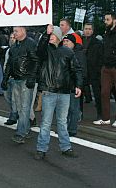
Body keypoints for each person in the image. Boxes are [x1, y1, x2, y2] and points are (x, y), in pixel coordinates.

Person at [34, 25, 82, 160]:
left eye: (53, 35)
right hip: (49, 91)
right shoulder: (46, 50)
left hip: (65, 92)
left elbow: (76, 69)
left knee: (62, 121)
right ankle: (41, 149)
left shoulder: (68, 52)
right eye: (50, 35)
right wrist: (45, 34)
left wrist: (78, 85)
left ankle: (66, 147)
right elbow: (39, 50)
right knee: (46, 122)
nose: (51, 37)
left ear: (58, 37)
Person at [2, 26, 39, 144]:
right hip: (16, 79)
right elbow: (9, 64)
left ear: (23, 31)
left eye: (16, 31)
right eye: (14, 31)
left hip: (25, 80)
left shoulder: (31, 44)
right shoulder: (14, 46)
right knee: (19, 107)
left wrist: (31, 78)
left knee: (24, 108)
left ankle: (21, 132)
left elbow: (36, 61)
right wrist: (5, 78)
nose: (14, 33)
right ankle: (25, 130)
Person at [93, 13, 116, 127]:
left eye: (107, 19)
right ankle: (106, 118)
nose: (105, 21)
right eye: (104, 19)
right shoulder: (107, 33)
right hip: (106, 67)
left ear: (114, 20)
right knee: (104, 93)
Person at [62, 33, 85, 137]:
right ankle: (64, 128)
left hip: (73, 86)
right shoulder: (62, 53)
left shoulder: (79, 54)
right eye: (64, 41)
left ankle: (72, 129)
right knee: (64, 109)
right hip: (63, 86)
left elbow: (81, 71)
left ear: (73, 43)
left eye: (68, 41)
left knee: (73, 109)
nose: (65, 43)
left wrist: (78, 85)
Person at [82, 23, 103, 120]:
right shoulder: (80, 42)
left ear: (93, 31)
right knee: (80, 94)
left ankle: (100, 113)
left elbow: (100, 58)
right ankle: (79, 113)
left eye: (89, 29)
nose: (87, 31)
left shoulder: (98, 43)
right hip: (83, 71)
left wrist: (98, 69)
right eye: (86, 29)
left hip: (94, 71)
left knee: (97, 93)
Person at [3, 33, 19, 125]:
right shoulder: (8, 50)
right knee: (7, 96)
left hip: (14, 77)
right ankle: (14, 112)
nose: (12, 39)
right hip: (7, 77)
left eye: (14, 38)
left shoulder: (17, 50)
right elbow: (6, 63)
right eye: (11, 37)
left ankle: (13, 115)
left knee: (14, 98)